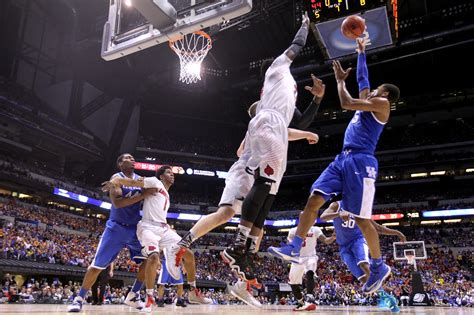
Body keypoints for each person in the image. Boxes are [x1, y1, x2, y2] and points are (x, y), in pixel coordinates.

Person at [268, 36, 400, 294]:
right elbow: (363, 81)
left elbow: (346, 102)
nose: (371, 90)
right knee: (314, 198)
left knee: (362, 220)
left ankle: (378, 265)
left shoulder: (382, 104)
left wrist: (340, 82)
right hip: (343, 158)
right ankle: (295, 247)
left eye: (376, 89)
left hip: (362, 161)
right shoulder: (369, 102)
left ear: (383, 94)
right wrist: (361, 51)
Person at [103, 165, 211, 313]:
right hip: (148, 227)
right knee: (153, 258)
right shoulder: (154, 181)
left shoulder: (166, 193)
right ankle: (149, 299)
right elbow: (135, 183)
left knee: (189, 254)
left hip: (163, 228)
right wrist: (116, 180)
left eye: (172, 173)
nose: (172, 175)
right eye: (168, 172)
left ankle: (193, 291)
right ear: (161, 176)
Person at [68, 153, 151, 312]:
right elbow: (118, 203)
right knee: (97, 266)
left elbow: (152, 189)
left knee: (150, 260)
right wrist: (142, 194)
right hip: (116, 228)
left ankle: (133, 295)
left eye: (133, 158)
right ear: (120, 163)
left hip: (135, 228)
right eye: (128, 157)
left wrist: (142, 192)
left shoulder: (139, 179)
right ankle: (79, 298)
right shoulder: (116, 177)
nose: (132, 159)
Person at [320, 201, 406, 312]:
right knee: (364, 279)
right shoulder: (337, 205)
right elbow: (323, 217)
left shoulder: (360, 211)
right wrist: (338, 214)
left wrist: (397, 233)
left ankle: (381, 272)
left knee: (363, 264)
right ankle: (387, 297)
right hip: (343, 247)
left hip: (358, 241)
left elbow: (377, 228)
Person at [287, 219, 336, 311]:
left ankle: (309, 297)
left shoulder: (316, 230)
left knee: (310, 273)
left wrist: (332, 238)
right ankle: (301, 303)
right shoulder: (293, 230)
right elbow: (289, 245)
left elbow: (325, 240)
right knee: (293, 283)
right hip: (297, 258)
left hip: (310, 257)